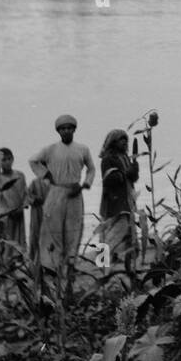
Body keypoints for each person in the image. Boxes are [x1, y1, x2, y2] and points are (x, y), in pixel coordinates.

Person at [28, 115, 97, 289]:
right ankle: (52, 265)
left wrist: (83, 186)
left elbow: (91, 168)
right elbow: (33, 161)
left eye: (69, 128)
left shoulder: (82, 149)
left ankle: (71, 264)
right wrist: (46, 174)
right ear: (58, 131)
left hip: (74, 193)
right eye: (62, 128)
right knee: (53, 229)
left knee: (73, 229)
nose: (66, 131)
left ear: (74, 129)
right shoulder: (50, 149)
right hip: (56, 191)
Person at [98, 129, 140, 271]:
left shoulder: (125, 157)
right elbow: (108, 179)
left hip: (126, 197)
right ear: (113, 142)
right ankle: (103, 260)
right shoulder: (108, 159)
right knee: (112, 230)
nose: (124, 143)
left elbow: (133, 178)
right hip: (113, 199)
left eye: (126, 140)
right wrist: (124, 174)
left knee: (126, 229)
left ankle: (124, 259)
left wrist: (135, 170)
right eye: (121, 140)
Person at [0, 148, 29, 252]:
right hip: (5, 215)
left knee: (19, 241)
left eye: (9, 159)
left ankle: (20, 263)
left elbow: (25, 193)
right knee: (7, 242)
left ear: (12, 159)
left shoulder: (20, 175)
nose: (7, 162)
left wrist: (24, 205)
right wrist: (1, 212)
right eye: (3, 160)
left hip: (19, 213)